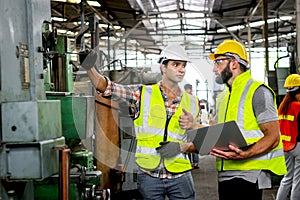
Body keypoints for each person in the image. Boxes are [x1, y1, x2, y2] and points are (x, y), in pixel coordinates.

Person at [157, 40, 287, 200]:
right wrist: (184, 142)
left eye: (218, 62)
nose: (214, 68)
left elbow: (273, 137)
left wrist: (246, 154)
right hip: (226, 173)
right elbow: (217, 139)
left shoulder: (258, 92)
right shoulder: (223, 97)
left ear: (233, 63)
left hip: (250, 173)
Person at [80, 44, 200, 200]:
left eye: (183, 65)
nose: (181, 69)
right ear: (163, 67)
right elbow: (107, 87)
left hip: (180, 177)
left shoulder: (192, 102)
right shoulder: (142, 94)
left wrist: (181, 146)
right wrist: (90, 69)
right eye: (175, 64)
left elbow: (200, 143)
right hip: (150, 177)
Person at [276, 74, 300, 200]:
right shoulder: (297, 106)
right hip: (297, 146)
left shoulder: (282, 107)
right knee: (298, 180)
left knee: (287, 178)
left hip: (285, 147)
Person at [184, 83, 200, 169]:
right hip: (191, 123)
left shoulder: (189, 98)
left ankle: (193, 162)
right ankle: (193, 162)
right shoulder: (194, 98)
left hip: (190, 123)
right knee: (192, 143)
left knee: (191, 143)